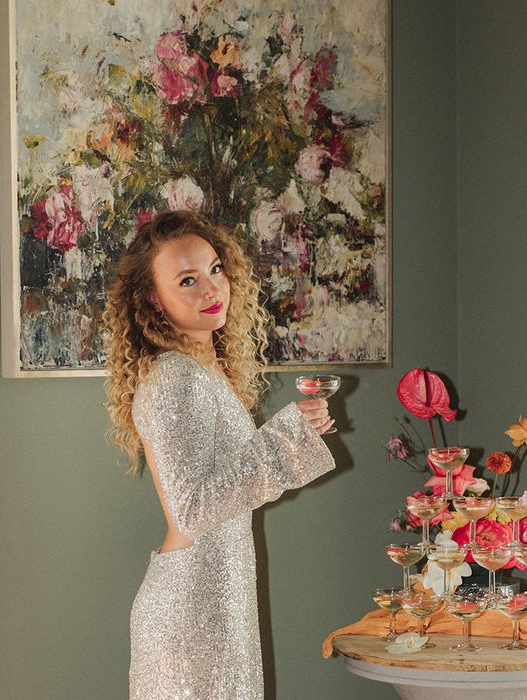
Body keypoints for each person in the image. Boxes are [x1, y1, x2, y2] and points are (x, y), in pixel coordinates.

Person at [103, 210, 336, 699]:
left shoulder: (201, 371)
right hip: (194, 610)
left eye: (214, 269)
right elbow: (192, 510)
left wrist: (293, 436)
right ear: (153, 298)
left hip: (215, 597)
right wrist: (286, 437)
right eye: (187, 280)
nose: (211, 290)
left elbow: (222, 488)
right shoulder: (176, 379)